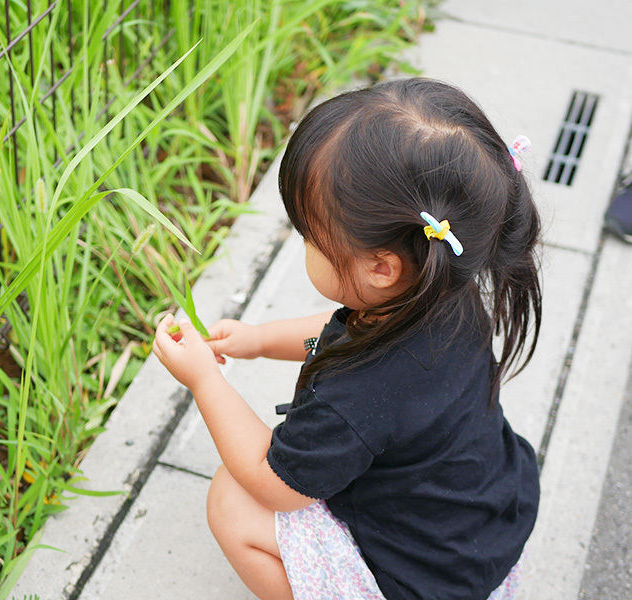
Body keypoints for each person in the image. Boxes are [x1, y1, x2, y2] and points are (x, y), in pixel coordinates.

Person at [152, 78, 541, 600]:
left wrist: (203, 381)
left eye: (312, 238)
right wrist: (261, 339)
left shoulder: (353, 398)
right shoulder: (445, 288)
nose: (306, 246)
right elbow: (345, 333)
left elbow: (276, 483)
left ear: (382, 267)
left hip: (423, 580)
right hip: (477, 534)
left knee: (232, 498)